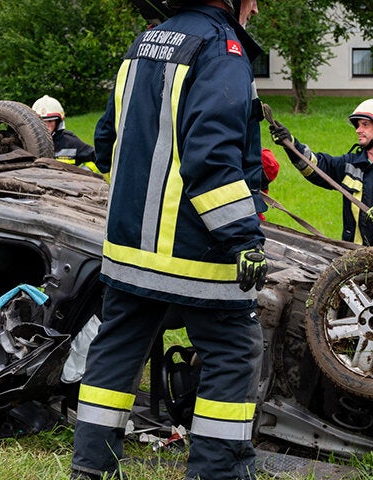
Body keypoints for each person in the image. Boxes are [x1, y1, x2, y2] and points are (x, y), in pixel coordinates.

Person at [72, 1, 266, 479]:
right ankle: (215, 473)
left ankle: (90, 470)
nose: (257, 6)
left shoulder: (144, 44)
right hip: (193, 251)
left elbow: (105, 141)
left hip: (127, 250)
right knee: (234, 353)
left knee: (116, 353)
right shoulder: (222, 48)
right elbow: (212, 157)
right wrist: (242, 238)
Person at [270, 98, 373, 246]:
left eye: (365, 125)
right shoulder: (352, 163)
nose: (358, 130)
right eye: (358, 125)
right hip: (354, 257)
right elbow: (316, 167)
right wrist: (291, 145)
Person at [31, 95, 98, 170]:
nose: (46, 125)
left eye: (50, 121)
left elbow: (97, 159)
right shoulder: (27, 142)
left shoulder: (71, 142)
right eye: (42, 121)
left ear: (58, 122)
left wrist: (83, 172)